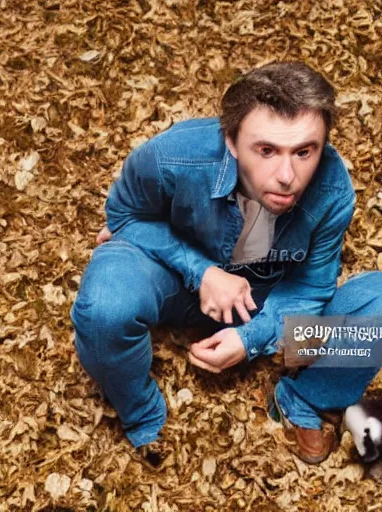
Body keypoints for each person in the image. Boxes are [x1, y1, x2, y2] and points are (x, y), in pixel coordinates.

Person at [70, 61, 382, 467]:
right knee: (105, 310)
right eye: (266, 150)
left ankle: (303, 395)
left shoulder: (332, 187)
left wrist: (251, 338)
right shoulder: (172, 155)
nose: (287, 175)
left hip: (266, 300)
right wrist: (201, 271)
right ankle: (142, 416)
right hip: (174, 282)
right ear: (231, 140)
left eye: (305, 151)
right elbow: (124, 216)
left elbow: (310, 289)